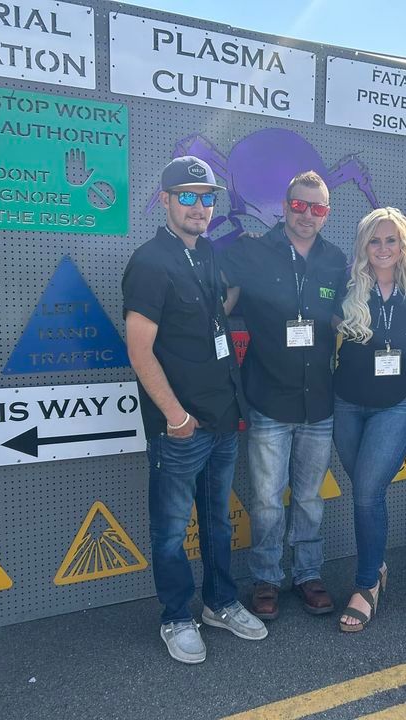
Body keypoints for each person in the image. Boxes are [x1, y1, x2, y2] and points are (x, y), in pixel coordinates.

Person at [122, 156, 267, 665]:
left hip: (223, 417)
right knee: (170, 531)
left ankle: (220, 603)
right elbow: (139, 350)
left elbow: (212, 312)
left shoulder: (205, 253)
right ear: (164, 200)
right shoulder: (149, 262)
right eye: (187, 196)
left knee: (218, 523)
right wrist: (176, 417)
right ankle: (176, 617)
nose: (199, 207)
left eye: (206, 198)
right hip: (181, 427)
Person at [220, 171, 347, 620]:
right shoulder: (252, 251)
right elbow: (216, 299)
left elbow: (345, 317)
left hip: (319, 404)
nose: (307, 215)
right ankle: (267, 579)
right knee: (267, 501)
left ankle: (308, 574)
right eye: (299, 205)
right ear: (285, 205)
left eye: (318, 208)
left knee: (310, 498)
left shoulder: (336, 260)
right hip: (268, 400)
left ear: (327, 214)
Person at [333, 207, 406, 632]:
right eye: (374, 240)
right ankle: (378, 565)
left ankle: (366, 585)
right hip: (347, 404)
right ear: (363, 245)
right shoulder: (346, 286)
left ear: (403, 244)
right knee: (366, 491)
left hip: (397, 403)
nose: (382, 248)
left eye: (391, 240)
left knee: (367, 492)